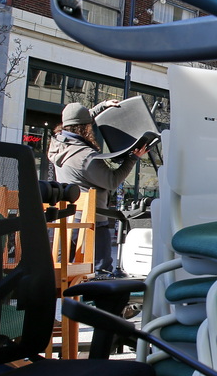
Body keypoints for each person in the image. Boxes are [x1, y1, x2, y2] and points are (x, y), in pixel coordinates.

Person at [48, 100, 148, 275]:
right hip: (91, 221)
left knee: (63, 269)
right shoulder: (86, 157)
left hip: (68, 216)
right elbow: (112, 181)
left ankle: (64, 299)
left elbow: (79, 120)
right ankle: (97, 300)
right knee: (101, 269)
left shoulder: (57, 144)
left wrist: (102, 106)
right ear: (86, 128)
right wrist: (132, 158)